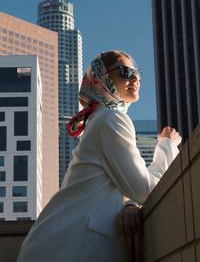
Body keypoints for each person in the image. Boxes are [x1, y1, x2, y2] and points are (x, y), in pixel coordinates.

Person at [17, 50, 181, 262]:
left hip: (58, 244)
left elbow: (112, 185)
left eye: (137, 73)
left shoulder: (100, 120)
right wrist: (167, 146)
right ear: (102, 77)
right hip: (67, 247)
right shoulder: (111, 119)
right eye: (125, 71)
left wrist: (129, 204)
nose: (135, 78)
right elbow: (144, 190)